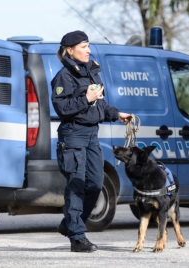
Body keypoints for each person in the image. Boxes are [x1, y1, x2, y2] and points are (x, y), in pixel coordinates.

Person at [51, 30, 132, 252]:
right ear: (70, 50)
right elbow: (62, 108)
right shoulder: (64, 77)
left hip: (91, 135)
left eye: (88, 46)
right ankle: (77, 237)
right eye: (84, 46)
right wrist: (86, 98)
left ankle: (70, 223)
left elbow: (101, 105)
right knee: (76, 185)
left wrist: (118, 114)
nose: (88, 50)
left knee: (96, 183)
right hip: (73, 134)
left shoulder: (91, 73)